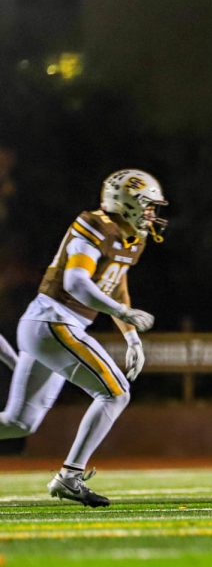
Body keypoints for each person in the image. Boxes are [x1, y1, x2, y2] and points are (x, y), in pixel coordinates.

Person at [0, 170, 165, 507]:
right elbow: (76, 283)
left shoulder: (132, 238)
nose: (151, 214)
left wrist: (132, 336)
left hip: (49, 324)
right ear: (127, 203)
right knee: (115, 393)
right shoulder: (96, 226)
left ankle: (69, 476)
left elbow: (115, 282)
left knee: (18, 423)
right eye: (146, 206)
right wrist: (122, 313)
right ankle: (70, 477)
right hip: (55, 320)